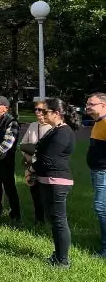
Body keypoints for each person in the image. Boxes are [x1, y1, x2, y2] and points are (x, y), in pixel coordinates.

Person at [32, 98, 81, 268]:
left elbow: (48, 160)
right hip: (49, 180)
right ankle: (59, 255)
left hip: (57, 181)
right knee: (54, 220)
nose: (41, 114)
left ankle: (63, 260)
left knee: (59, 221)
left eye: (45, 111)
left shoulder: (63, 132)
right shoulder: (56, 130)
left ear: (57, 113)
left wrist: (31, 169)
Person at [19, 99, 52, 225]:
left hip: (46, 165)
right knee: (35, 192)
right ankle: (39, 220)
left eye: (40, 109)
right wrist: (28, 158)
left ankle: (50, 218)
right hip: (32, 164)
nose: (37, 112)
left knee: (47, 193)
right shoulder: (33, 125)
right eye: (36, 109)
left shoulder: (52, 127)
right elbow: (23, 144)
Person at [0, 96, 21, 222]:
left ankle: (16, 214)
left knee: (9, 187)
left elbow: (7, 144)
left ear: (6, 108)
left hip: (6, 160)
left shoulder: (12, 122)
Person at [85, 92, 106, 257]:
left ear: (103, 105)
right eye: (87, 104)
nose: (87, 107)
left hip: (103, 172)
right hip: (97, 172)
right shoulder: (98, 122)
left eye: (91, 104)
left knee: (101, 207)